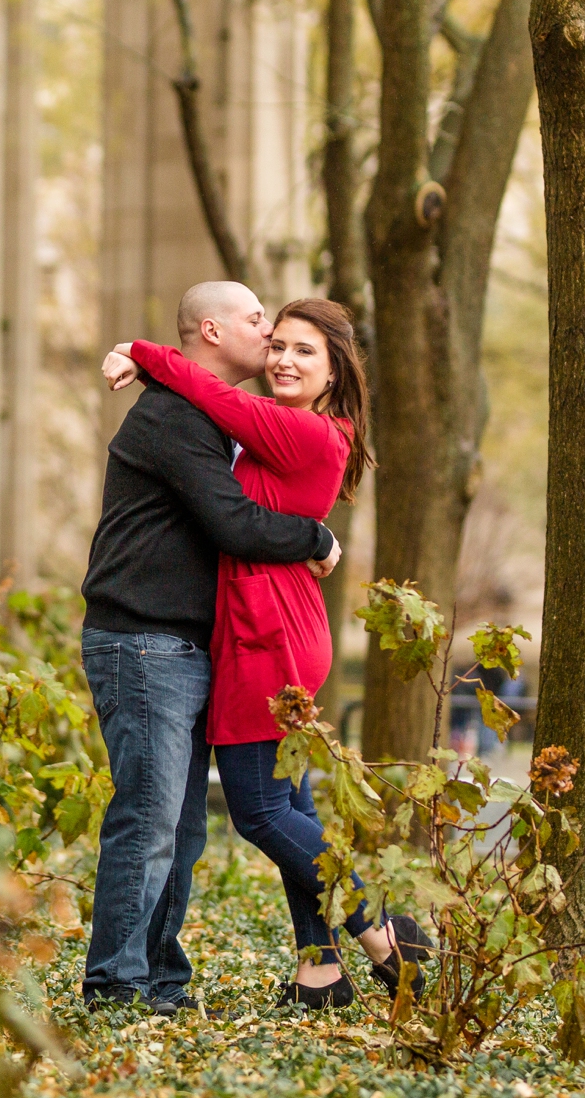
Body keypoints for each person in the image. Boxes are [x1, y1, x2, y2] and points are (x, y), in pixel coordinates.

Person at [104, 290, 428, 1011]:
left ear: (336, 371)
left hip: (267, 637)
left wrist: (142, 350)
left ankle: (379, 927)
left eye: (302, 350)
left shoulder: (304, 431)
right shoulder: (291, 428)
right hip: (276, 626)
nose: (282, 358)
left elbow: (210, 395)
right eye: (277, 343)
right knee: (291, 803)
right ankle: (321, 974)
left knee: (258, 813)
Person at [78, 282, 343, 1017]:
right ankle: (117, 987)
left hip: (189, 646)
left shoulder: (218, 416)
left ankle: (161, 980)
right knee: (151, 819)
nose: (270, 332)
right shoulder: (172, 416)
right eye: (259, 320)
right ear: (212, 330)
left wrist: (140, 350)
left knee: (183, 826)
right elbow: (234, 522)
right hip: (141, 639)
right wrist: (315, 539)